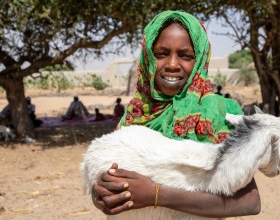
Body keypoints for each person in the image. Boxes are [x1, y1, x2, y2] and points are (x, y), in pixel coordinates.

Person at [92, 10, 260, 218]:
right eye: (161, 54)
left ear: (199, 60)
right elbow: (114, 180)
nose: (172, 65)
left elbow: (250, 202)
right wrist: (101, 195)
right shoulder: (136, 114)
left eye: (185, 56)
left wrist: (155, 195)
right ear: (148, 58)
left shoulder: (221, 115)